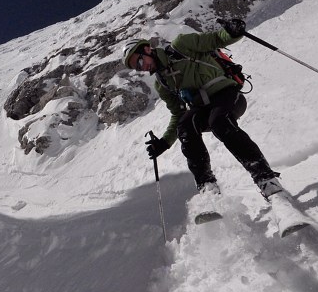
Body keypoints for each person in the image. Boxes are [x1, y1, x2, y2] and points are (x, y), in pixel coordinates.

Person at [122, 18, 284, 199]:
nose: (141, 68)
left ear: (146, 49)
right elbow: (178, 114)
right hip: (203, 109)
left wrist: (231, 32)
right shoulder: (162, 84)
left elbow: (215, 39)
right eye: (136, 68)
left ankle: (265, 179)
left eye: (139, 62)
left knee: (219, 122)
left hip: (228, 95)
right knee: (185, 126)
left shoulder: (181, 45)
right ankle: (208, 187)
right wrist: (164, 143)